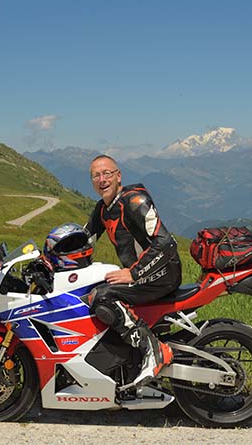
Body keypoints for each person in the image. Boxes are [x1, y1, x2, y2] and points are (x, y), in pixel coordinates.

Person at [85, 154, 182, 389]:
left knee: (103, 297)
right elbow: (83, 241)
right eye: (96, 175)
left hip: (161, 274)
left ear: (119, 176)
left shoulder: (135, 200)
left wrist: (134, 273)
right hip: (143, 275)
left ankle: (154, 350)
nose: (102, 179)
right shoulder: (103, 208)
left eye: (107, 173)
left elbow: (165, 243)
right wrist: (49, 261)